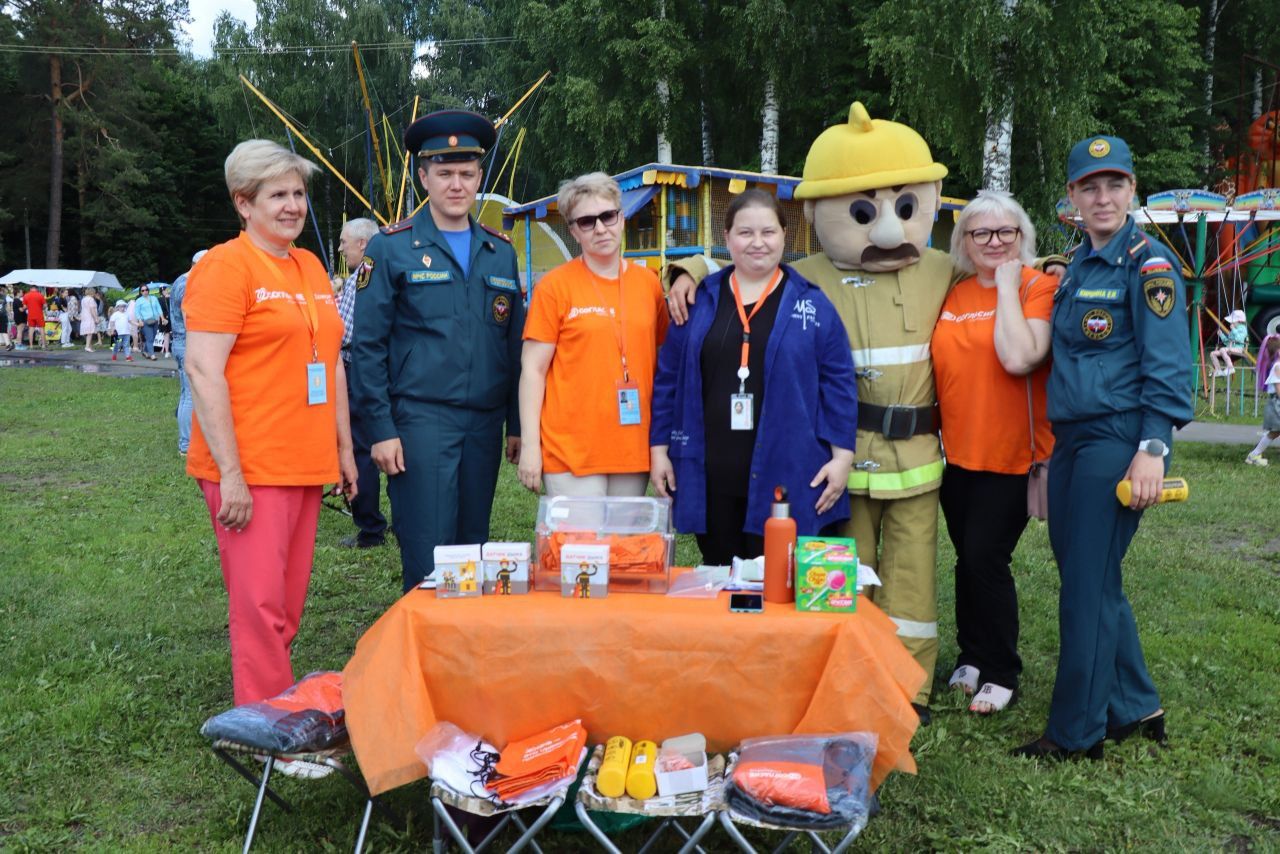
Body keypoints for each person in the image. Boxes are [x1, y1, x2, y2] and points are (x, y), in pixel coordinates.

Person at [1013, 135, 1191, 761]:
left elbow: (1168, 367)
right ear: (1071, 197)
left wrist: (1153, 448)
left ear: (1132, 191)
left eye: (1114, 184)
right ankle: (1137, 703)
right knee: (1090, 574)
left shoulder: (1150, 267)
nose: (1103, 197)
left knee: (1085, 587)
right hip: (1070, 440)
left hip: (1117, 437)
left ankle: (1077, 732)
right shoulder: (1078, 267)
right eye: (1090, 186)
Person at [184, 139, 357, 724]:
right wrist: (231, 474)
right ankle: (267, 728)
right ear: (243, 203)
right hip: (251, 466)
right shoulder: (224, 268)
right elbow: (203, 369)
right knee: (259, 607)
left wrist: (343, 449)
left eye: (299, 193)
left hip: (305, 460)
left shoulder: (309, 265)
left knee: (286, 604)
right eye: (277, 194)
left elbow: (330, 360)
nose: (292, 206)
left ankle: (270, 708)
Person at [350, 109, 522, 592]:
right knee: (429, 553)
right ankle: (424, 659)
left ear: (479, 177)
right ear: (423, 176)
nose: (456, 184)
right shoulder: (391, 248)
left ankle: (461, 657)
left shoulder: (499, 250)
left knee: (473, 548)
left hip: (484, 426)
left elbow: (511, 343)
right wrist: (380, 431)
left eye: (467, 173)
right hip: (421, 422)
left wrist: (517, 425)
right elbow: (367, 348)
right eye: (444, 173)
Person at [650, 189, 858, 563]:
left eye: (768, 232)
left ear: (784, 236)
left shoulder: (811, 303)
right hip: (711, 474)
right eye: (745, 233)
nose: (757, 243)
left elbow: (839, 381)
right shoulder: (699, 300)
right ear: (726, 238)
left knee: (781, 587)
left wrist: (843, 456)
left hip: (789, 473)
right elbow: (668, 379)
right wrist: (659, 450)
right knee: (721, 586)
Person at [932, 190, 1056, 715]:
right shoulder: (953, 293)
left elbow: (1022, 358)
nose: (994, 242)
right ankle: (971, 656)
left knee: (987, 557)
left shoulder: (1038, 286)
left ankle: (1002, 669)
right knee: (967, 561)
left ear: (1023, 237)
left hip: (1014, 456)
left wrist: (1008, 281)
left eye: (1006, 232)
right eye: (980, 233)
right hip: (957, 455)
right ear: (964, 241)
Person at [519, 172, 667, 498]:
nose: (600, 228)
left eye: (607, 216)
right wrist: (531, 445)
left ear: (621, 216)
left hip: (631, 445)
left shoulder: (649, 284)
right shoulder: (554, 287)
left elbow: (661, 361)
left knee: (623, 548)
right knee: (579, 548)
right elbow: (533, 370)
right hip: (571, 448)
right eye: (587, 221)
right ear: (573, 230)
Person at [335, 217, 388, 548]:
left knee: (360, 448)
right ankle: (404, 521)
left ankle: (370, 528)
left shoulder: (361, 279)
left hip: (358, 369)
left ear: (363, 244)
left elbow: (344, 332)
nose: (340, 249)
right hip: (388, 372)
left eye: (344, 242)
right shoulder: (390, 275)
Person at [170, 250, 206, 455]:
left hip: (182, 343)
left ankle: (191, 439)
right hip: (187, 343)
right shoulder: (187, 285)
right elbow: (188, 318)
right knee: (190, 395)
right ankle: (186, 444)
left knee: (188, 393)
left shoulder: (181, 281)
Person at [1245, 334, 1280, 465]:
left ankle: (1254, 455)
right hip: (1277, 404)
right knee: (1274, 432)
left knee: (1275, 432)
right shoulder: (1277, 366)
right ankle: (1253, 455)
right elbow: (1278, 389)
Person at [1208, 309, 1248, 377]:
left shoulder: (1243, 329)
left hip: (1238, 349)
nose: (1231, 323)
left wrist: (1233, 330)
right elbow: (1227, 341)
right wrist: (1221, 335)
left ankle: (1230, 367)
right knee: (1212, 354)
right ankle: (1218, 370)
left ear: (1238, 321)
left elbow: (1239, 339)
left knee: (1223, 349)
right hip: (1230, 347)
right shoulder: (1234, 329)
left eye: (1232, 321)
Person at [134, 283, 164, 360]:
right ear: (140, 292)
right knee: (150, 338)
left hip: (155, 320)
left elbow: (159, 308)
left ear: (148, 290)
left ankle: (145, 351)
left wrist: (162, 318)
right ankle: (152, 355)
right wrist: (140, 320)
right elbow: (137, 312)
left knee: (153, 337)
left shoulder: (154, 298)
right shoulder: (139, 300)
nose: (145, 291)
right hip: (145, 322)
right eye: (143, 290)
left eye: (146, 290)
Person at [157, 285, 172, 357]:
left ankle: (166, 351)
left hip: (165, 318)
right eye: (166, 290)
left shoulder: (162, 299)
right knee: (167, 334)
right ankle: (166, 351)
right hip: (166, 318)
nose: (167, 291)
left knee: (167, 335)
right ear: (163, 291)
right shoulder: (162, 299)